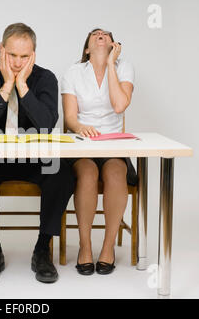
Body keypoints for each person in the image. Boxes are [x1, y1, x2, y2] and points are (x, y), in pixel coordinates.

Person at [0, 23, 76, 283]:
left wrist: (22, 85)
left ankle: (42, 249)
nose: (17, 62)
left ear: (33, 54)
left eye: (25, 56)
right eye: (12, 55)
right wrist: (6, 87)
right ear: (1, 50)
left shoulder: (46, 78)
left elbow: (47, 125)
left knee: (63, 172)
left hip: (33, 158)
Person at [61, 28, 137, 275]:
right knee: (88, 174)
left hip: (114, 145)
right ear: (86, 48)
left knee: (116, 174)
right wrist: (81, 127)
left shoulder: (124, 67)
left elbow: (119, 105)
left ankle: (107, 247)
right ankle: (85, 246)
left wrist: (111, 64)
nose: (101, 35)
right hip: (83, 144)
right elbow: (70, 118)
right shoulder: (73, 72)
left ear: (114, 44)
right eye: (95, 34)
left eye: (106, 34)